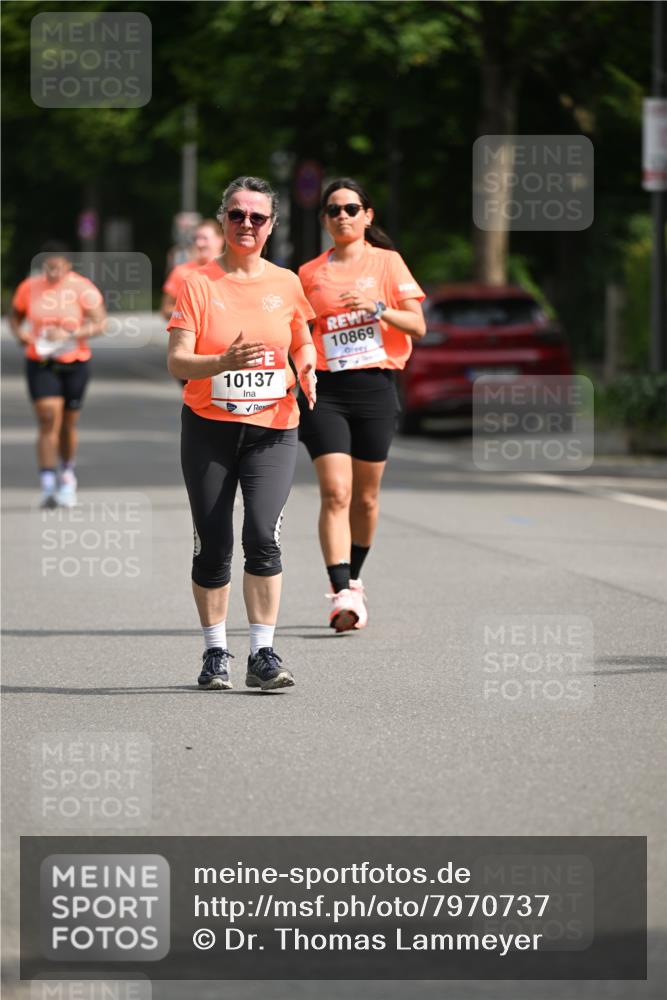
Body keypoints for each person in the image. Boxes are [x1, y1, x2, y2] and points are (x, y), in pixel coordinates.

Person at [167, 176, 317, 692]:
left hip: (274, 428)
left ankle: (263, 653)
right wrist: (221, 362)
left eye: (257, 217)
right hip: (209, 428)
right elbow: (177, 361)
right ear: (223, 219)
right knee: (213, 546)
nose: (246, 224)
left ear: (272, 225)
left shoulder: (287, 282)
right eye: (236, 215)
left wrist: (309, 367)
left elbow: (302, 338)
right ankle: (215, 653)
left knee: (262, 536)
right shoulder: (198, 283)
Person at [297, 178, 426, 632]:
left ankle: (355, 577)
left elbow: (417, 325)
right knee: (337, 492)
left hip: (375, 388)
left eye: (351, 208)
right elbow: (298, 334)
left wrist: (377, 309)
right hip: (326, 391)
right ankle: (341, 592)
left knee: (366, 500)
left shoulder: (387, 264)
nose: (343, 216)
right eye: (334, 210)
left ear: (367, 215)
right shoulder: (309, 273)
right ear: (325, 220)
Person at [9, 243, 107, 508]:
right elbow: (15, 316)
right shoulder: (29, 287)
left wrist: (70, 334)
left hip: (74, 361)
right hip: (40, 361)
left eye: (57, 267)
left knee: (67, 423)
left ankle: (66, 472)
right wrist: (21, 335)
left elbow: (100, 323)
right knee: (47, 417)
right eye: (47, 267)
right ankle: (47, 481)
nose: (52, 272)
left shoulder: (82, 288)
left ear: (68, 266)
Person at [160, 219, 224, 320]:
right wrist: (184, 315)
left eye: (204, 238)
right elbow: (165, 311)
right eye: (196, 239)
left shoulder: (232, 270)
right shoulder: (181, 271)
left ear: (220, 240)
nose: (199, 243)